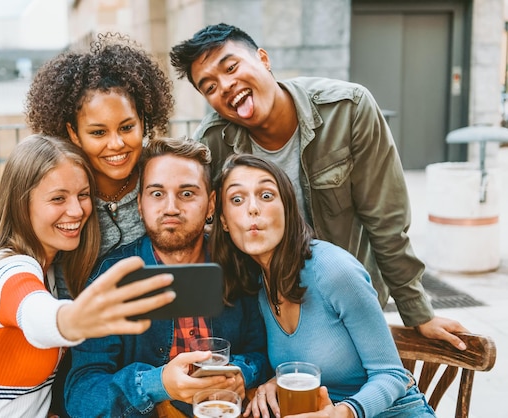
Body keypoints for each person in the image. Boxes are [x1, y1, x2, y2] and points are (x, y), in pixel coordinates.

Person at [169, 23, 468, 349]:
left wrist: (417, 312)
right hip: (267, 311)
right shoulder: (213, 140)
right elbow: (192, 220)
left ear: (263, 59)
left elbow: (386, 221)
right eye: (209, 86)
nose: (225, 86)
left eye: (231, 67)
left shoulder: (349, 109)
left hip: (343, 303)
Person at [0, 134, 175, 417]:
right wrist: (74, 320)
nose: (77, 211)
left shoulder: (50, 270)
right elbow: (34, 311)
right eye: (58, 199)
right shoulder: (8, 269)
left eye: (82, 195)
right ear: (21, 204)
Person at [212, 154, 435, 418]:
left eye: (267, 195)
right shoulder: (257, 283)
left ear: (287, 208)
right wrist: (275, 382)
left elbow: (393, 375)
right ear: (224, 221)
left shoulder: (333, 269)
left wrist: (343, 413)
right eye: (237, 200)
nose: (252, 209)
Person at [64, 137, 268, 417]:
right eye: (157, 194)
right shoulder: (110, 278)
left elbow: (263, 351)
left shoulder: (239, 264)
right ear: (140, 204)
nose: (171, 208)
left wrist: (241, 372)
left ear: (210, 205)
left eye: (186, 194)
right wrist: (157, 384)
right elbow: (81, 394)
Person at [26, 32, 174, 258]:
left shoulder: (165, 177)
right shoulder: (57, 191)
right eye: (98, 132)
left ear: (143, 122)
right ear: (73, 132)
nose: (116, 144)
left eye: (126, 128)